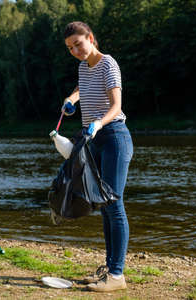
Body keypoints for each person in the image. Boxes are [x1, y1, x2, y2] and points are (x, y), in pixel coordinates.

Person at [62, 21, 134, 292]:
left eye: (78, 44)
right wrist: (71, 100)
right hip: (94, 141)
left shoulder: (108, 64)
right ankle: (109, 270)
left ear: (90, 38)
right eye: (70, 48)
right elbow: (82, 89)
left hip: (114, 136)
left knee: (113, 203)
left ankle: (117, 275)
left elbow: (116, 106)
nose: (76, 51)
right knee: (103, 205)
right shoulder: (83, 66)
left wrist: (99, 123)